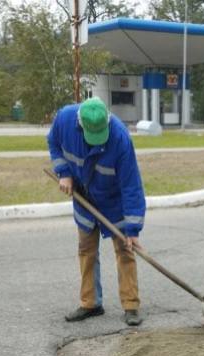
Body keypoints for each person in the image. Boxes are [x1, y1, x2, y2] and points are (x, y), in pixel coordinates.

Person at [47, 97, 146, 327]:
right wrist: (63, 173)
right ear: (80, 125)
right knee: (86, 248)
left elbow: (131, 185)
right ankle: (90, 303)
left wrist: (133, 229)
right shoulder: (64, 120)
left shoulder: (120, 138)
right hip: (84, 197)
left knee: (125, 248)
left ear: (108, 121)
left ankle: (131, 305)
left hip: (113, 201)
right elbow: (53, 144)